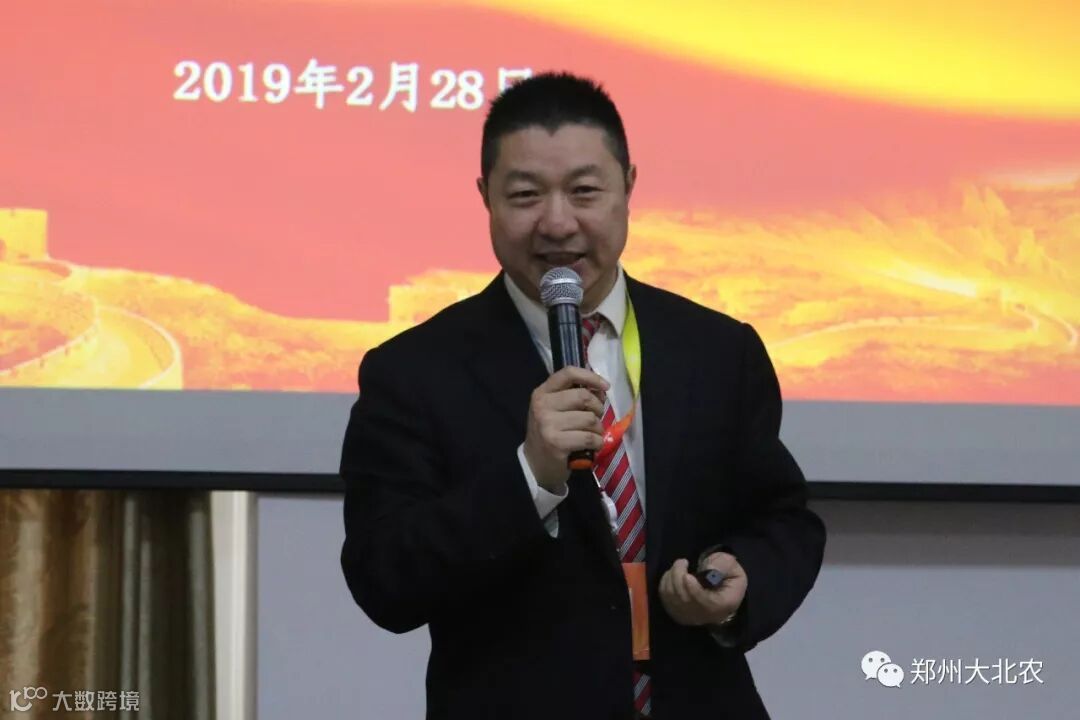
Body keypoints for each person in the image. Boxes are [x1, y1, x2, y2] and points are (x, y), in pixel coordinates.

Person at [340, 72, 825, 720]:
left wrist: (741, 579)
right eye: (525, 195)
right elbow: (384, 579)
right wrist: (529, 476)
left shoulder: (716, 350)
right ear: (485, 197)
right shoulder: (414, 372)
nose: (557, 222)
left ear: (629, 186)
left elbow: (783, 519)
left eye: (585, 191)